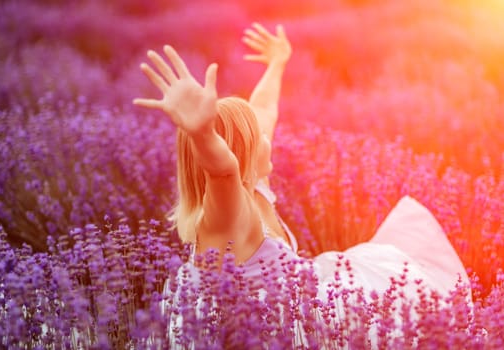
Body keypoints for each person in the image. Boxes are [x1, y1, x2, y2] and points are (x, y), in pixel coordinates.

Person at [133, 23, 471, 346]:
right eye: (258, 137)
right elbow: (222, 172)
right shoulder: (228, 219)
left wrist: (278, 62)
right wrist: (201, 134)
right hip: (263, 332)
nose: (268, 138)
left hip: (300, 297)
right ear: (244, 153)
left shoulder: (256, 179)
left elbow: (264, 108)